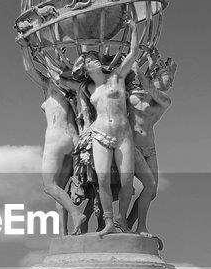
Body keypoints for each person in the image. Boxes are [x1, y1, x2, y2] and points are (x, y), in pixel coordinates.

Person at [79, 27, 140, 235]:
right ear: (85, 69)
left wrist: (132, 30)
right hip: (100, 134)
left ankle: (122, 220)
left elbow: (133, 53)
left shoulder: (116, 77)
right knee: (102, 179)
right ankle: (108, 222)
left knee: (127, 180)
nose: (94, 61)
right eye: (89, 61)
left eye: (95, 58)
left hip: (123, 133)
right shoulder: (88, 89)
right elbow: (61, 79)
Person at [125, 49, 174, 236]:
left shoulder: (164, 100)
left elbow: (150, 88)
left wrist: (144, 66)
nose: (171, 83)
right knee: (134, 187)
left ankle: (131, 225)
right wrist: (144, 63)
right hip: (132, 145)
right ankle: (133, 225)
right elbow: (145, 84)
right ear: (157, 77)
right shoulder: (135, 93)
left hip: (149, 148)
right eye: (167, 78)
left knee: (151, 191)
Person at [39, 57, 91, 234]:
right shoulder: (71, 89)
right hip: (74, 138)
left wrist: (24, 48)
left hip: (56, 138)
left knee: (49, 185)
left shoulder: (54, 89)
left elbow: (29, 70)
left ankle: (76, 215)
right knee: (62, 189)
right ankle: (64, 234)